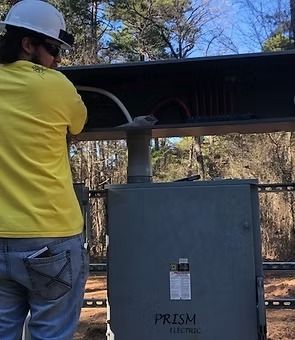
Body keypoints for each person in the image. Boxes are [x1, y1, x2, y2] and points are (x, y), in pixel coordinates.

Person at [0, 0, 88, 339]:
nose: (57, 59)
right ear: (27, 44)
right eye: (53, 49)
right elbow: (78, 125)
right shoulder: (56, 84)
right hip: (50, 239)